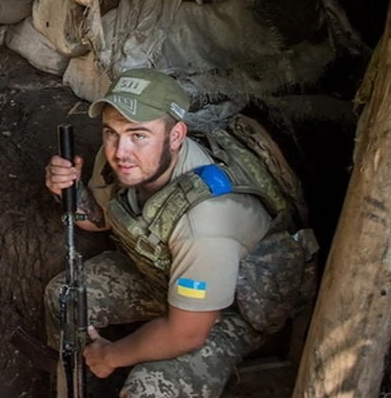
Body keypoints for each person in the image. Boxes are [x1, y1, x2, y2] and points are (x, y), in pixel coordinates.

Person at [44, 67, 316, 397]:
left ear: (176, 136)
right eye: (111, 132)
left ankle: (108, 364)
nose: (120, 151)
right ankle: (72, 384)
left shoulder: (204, 221)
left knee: (149, 391)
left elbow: (186, 333)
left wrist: (111, 355)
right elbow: (101, 219)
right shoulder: (119, 159)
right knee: (64, 299)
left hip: (228, 308)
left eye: (138, 135)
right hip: (166, 271)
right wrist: (68, 192)